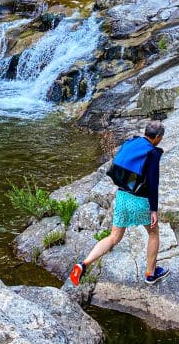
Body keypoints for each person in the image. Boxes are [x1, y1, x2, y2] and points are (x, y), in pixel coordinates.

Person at [69, 120, 169, 286]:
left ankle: (83, 264)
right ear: (157, 137)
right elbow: (153, 183)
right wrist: (153, 209)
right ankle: (150, 274)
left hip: (122, 197)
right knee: (153, 233)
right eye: (161, 137)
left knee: (114, 237)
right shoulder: (151, 153)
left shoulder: (132, 142)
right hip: (139, 201)